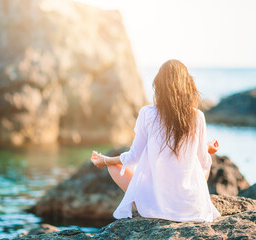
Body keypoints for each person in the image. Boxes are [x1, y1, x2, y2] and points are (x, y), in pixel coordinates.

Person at [91, 59, 221, 222]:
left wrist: (106, 160)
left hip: (154, 208)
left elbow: (133, 158)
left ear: (158, 86)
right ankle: (185, 200)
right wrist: (206, 149)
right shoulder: (197, 116)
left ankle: (152, 201)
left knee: (114, 167)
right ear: (187, 86)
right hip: (191, 207)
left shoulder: (148, 113)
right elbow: (203, 163)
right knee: (203, 165)